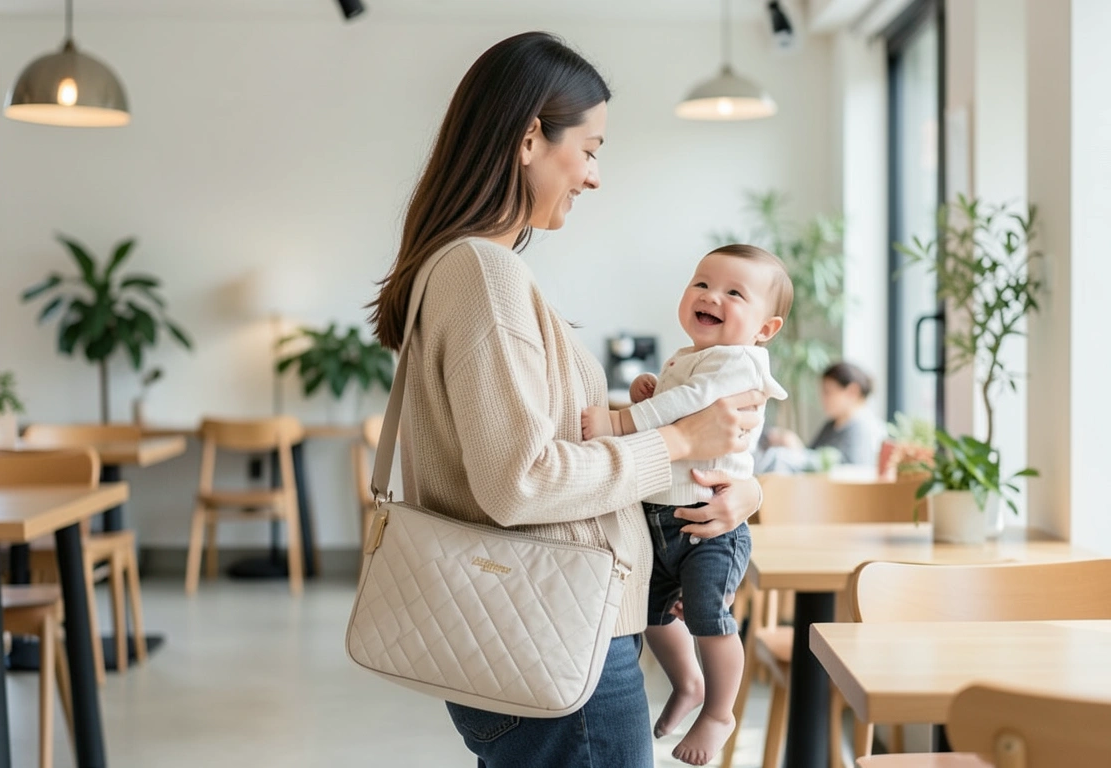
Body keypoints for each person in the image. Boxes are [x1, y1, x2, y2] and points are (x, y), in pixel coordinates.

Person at [367, 32, 766, 768]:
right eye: (589, 148)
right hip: (551, 630)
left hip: (544, 627)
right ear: (528, 139)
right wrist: (680, 443)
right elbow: (521, 482)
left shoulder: (469, 269)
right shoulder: (483, 276)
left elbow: (550, 443)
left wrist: (730, 478)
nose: (593, 176)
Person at [580, 244, 790, 766]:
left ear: (765, 329)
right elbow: (676, 401)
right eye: (702, 282)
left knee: (706, 616)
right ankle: (688, 684)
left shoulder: (741, 361)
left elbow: (687, 408)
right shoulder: (689, 357)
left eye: (734, 293)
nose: (710, 295)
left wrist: (623, 418)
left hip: (709, 525)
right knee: (650, 614)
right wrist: (650, 389)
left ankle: (720, 711)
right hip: (660, 521)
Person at [758, 361, 885, 472]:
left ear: (853, 391)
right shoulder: (832, 425)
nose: (823, 399)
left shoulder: (862, 429)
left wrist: (796, 450)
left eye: (828, 392)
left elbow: (852, 470)